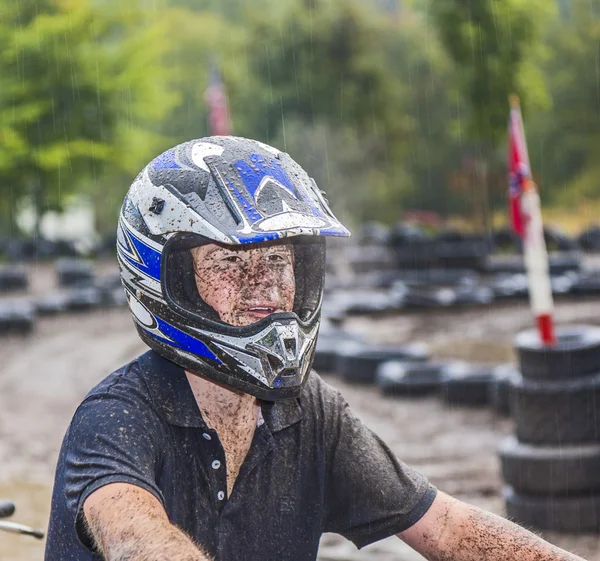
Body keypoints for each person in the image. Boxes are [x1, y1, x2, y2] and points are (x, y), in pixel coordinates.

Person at [45, 136, 586, 561]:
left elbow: (445, 527)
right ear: (169, 280)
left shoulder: (308, 413)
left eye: (278, 262)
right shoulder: (116, 418)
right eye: (229, 265)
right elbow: (135, 541)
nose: (265, 287)